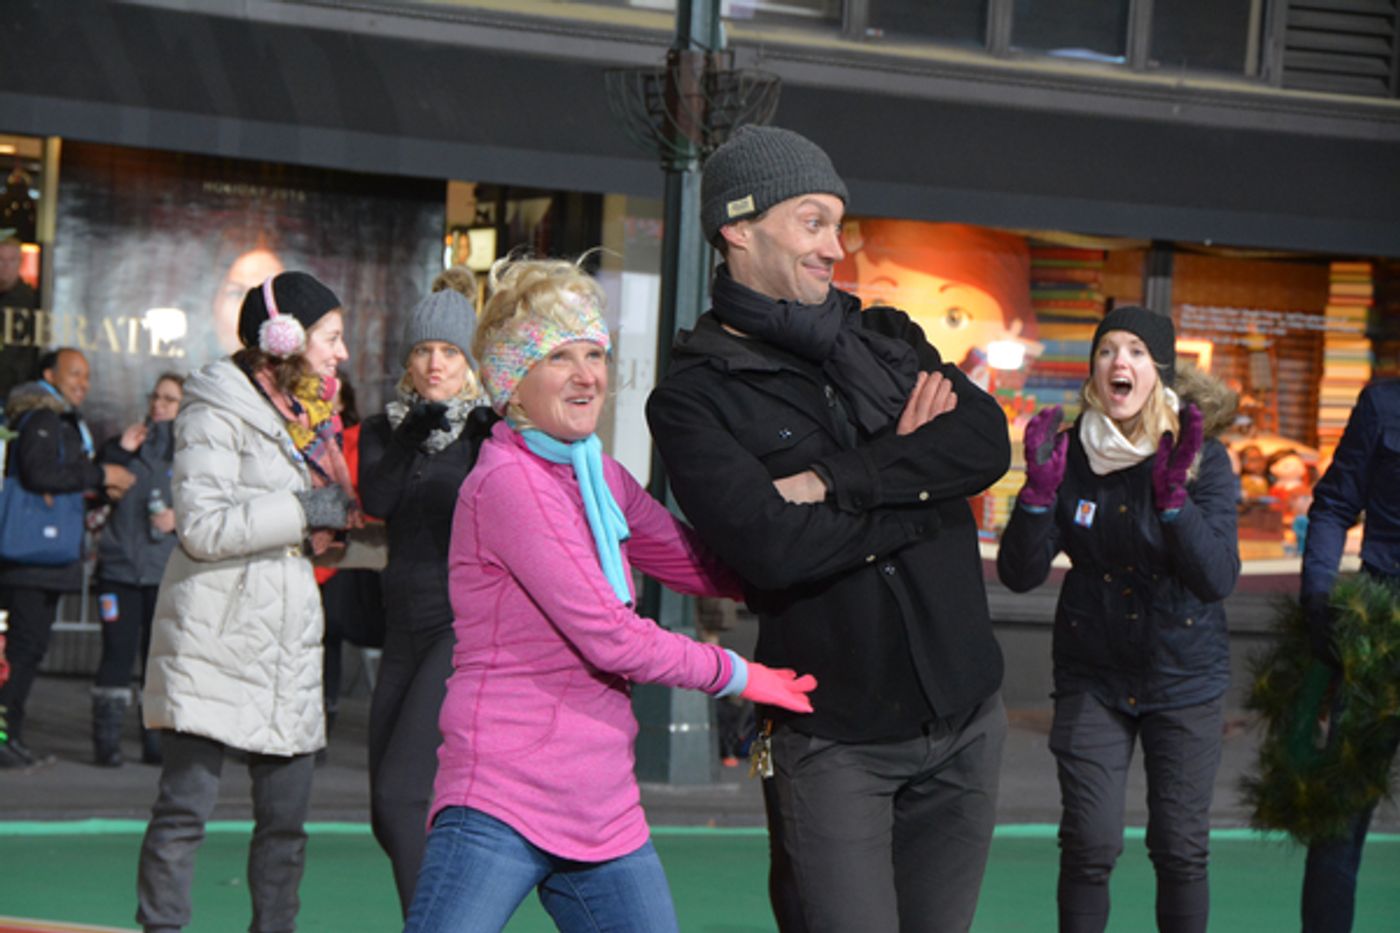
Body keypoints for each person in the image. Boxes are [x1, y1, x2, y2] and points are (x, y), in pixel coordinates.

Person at [646, 125, 1012, 933]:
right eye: (813, 221)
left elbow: (986, 444)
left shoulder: (886, 337)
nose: (835, 249)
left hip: (966, 715)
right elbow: (770, 546)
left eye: (839, 225)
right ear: (737, 227)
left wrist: (840, 479)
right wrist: (917, 476)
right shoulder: (692, 397)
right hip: (835, 740)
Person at [404, 256, 817, 933]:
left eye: (595, 353)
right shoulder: (507, 482)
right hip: (502, 796)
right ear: (514, 381)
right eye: (560, 356)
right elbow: (611, 635)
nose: (588, 374)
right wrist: (743, 675)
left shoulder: (598, 473)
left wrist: (807, 557)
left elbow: (698, 560)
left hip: (600, 801)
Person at [997, 306, 1240, 933]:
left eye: (1134, 350)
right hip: (1093, 672)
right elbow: (1020, 575)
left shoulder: (1201, 458)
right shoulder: (1068, 452)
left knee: (1180, 848)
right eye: (1107, 351)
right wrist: (1035, 495)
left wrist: (1176, 505)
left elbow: (1218, 579)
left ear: (1157, 370)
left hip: (1183, 677)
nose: (1119, 362)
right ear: (1094, 369)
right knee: (1089, 842)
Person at [136, 271, 358, 933]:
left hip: (288, 642)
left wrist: (342, 528)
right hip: (215, 634)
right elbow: (201, 527)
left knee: (286, 827)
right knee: (184, 811)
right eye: (331, 336)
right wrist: (301, 509)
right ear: (284, 337)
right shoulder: (216, 404)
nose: (341, 352)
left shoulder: (311, 417)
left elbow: (305, 528)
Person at [357, 285, 493, 915]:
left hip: (459, 628)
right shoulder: (385, 430)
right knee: (386, 814)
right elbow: (379, 501)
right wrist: (414, 431)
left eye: (449, 350)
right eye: (423, 350)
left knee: (401, 797)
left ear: (470, 360)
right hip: (402, 628)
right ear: (408, 360)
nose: (436, 363)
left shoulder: (490, 433)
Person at [0, 347, 136, 768]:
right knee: (20, 651)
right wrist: (99, 475)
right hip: (29, 560)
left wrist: (105, 473)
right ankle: (5, 736)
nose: (83, 382)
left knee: (27, 650)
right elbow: (39, 473)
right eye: (74, 373)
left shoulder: (60, 420)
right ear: (49, 375)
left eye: (87, 376)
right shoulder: (43, 417)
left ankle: (11, 735)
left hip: (45, 559)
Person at [1297, 380, 1400, 933]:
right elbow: (1335, 503)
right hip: (1379, 627)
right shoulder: (1384, 402)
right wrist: (1319, 599)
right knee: (1338, 823)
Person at [91, 372, 185, 767]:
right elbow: (95, 489)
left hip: (163, 570)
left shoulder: (189, 453)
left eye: (170, 399)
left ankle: (155, 743)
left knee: (156, 657)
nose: (159, 405)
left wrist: (180, 518)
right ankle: (106, 743)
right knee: (117, 653)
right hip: (118, 569)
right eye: (156, 397)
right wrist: (120, 454)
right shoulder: (122, 445)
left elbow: (213, 504)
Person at [0, 235, 42, 407]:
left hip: (12, 395)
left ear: (20, 262)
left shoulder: (32, 302)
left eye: (11, 260)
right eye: (1, 259)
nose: (5, 266)